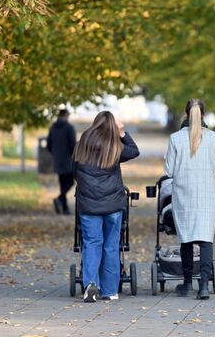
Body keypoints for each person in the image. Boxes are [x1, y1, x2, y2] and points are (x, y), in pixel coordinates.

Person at [73, 111, 140, 302]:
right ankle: (110, 291)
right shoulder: (115, 147)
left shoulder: (81, 146)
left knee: (92, 243)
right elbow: (134, 151)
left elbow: (75, 173)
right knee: (111, 246)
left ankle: (91, 284)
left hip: (89, 205)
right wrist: (122, 133)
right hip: (113, 205)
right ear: (112, 127)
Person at [164, 99, 215, 300]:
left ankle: (187, 283)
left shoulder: (175, 138)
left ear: (185, 114)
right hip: (206, 194)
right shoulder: (214, 138)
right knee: (206, 240)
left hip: (184, 194)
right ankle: (204, 285)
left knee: (186, 240)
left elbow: (169, 170)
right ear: (203, 115)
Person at [47, 108, 77, 215]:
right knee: (70, 182)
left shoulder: (53, 128)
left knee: (62, 184)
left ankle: (64, 208)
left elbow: (48, 145)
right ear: (65, 115)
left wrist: (56, 154)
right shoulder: (69, 128)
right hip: (68, 160)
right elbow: (73, 145)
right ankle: (59, 199)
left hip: (57, 160)